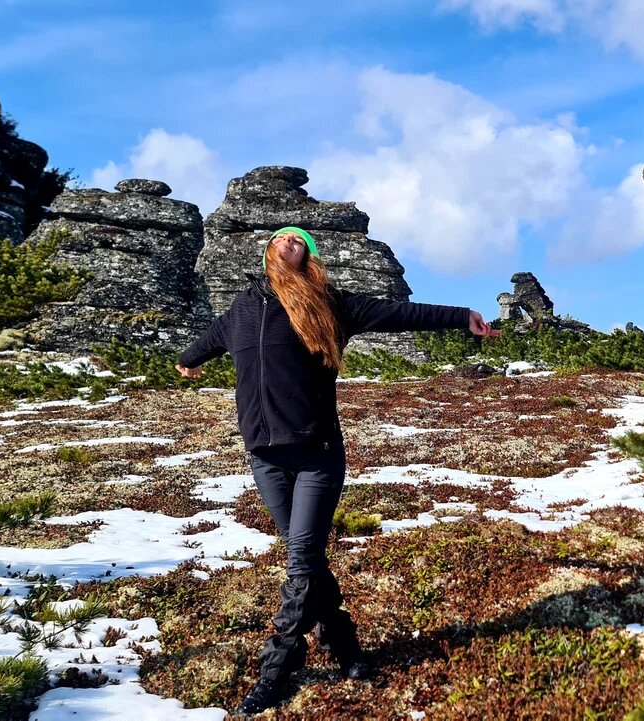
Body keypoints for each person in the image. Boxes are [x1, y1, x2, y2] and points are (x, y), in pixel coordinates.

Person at [175, 226, 500, 714]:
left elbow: (399, 312)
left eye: (300, 241)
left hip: (316, 455)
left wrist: (461, 316)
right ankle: (345, 647)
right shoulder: (241, 310)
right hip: (264, 457)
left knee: (301, 561)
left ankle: (276, 671)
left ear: (310, 257)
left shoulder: (329, 303)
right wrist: (188, 360)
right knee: (307, 561)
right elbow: (208, 341)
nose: (291, 242)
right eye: (283, 237)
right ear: (268, 251)